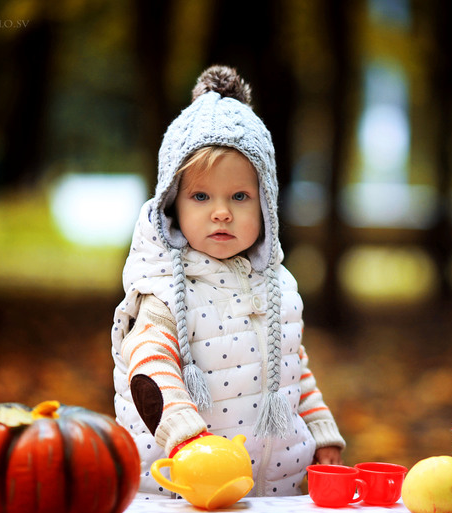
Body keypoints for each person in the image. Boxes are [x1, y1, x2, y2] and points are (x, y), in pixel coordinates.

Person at [111, 65, 345, 499]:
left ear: (266, 205)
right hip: (186, 486)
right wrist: (185, 437)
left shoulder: (277, 286)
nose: (222, 212)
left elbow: (292, 368)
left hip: (275, 491)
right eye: (201, 196)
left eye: (240, 196)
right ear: (172, 203)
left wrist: (320, 430)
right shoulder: (162, 291)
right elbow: (149, 370)